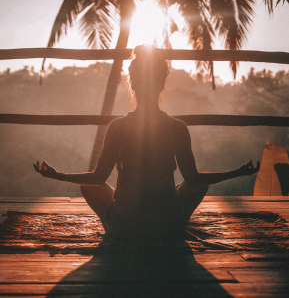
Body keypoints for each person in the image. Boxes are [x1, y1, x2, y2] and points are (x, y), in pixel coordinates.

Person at [34, 45, 260, 242]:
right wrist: (238, 172)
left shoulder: (117, 127)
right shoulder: (177, 127)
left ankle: (115, 226)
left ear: (132, 84)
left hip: (126, 228)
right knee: (198, 183)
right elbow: (194, 179)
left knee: (89, 186)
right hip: (167, 226)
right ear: (161, 84)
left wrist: (57, 175)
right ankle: (177, 224)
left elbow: (97, 179)